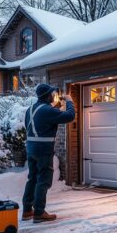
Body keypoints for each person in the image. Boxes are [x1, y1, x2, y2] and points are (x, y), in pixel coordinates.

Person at [22, 83, 75, 223]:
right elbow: (70, 116)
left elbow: (43, 119)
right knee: (44, 180)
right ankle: (39, 213)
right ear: (47, 96)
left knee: (32, 178)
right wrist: (69, 101)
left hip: (31, 149)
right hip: (43, 150)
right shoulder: (48, 111)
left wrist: (56, 107)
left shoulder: (31, 109)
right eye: (52, 93)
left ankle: (27, 210)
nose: (54, 95)